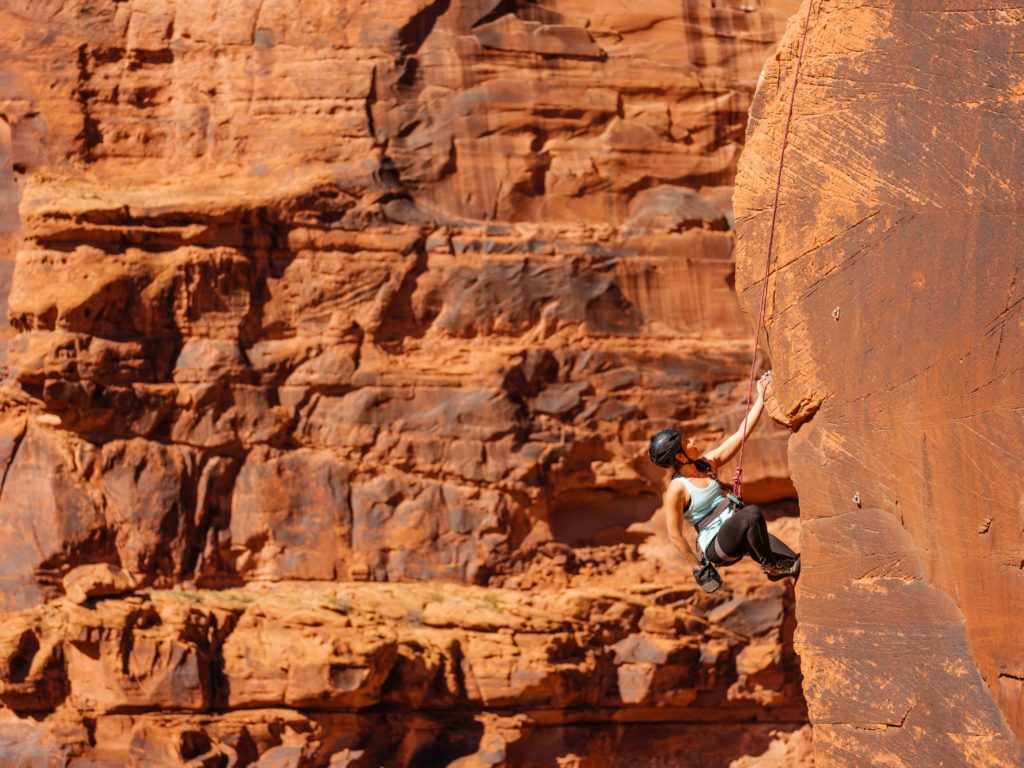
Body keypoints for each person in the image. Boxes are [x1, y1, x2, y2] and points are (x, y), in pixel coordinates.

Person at [648, 371, 800, 582]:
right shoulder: (677, 489)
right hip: (716, 546)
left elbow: (741, 434)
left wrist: (761, 397)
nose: (692, 440)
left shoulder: (707, 464)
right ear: (681, 457)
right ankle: (772, 566)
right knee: (752, 514)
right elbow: (674, 534)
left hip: (740, 531)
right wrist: (698, 569)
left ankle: (778, 566)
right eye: (687, 443)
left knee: (796, 563)